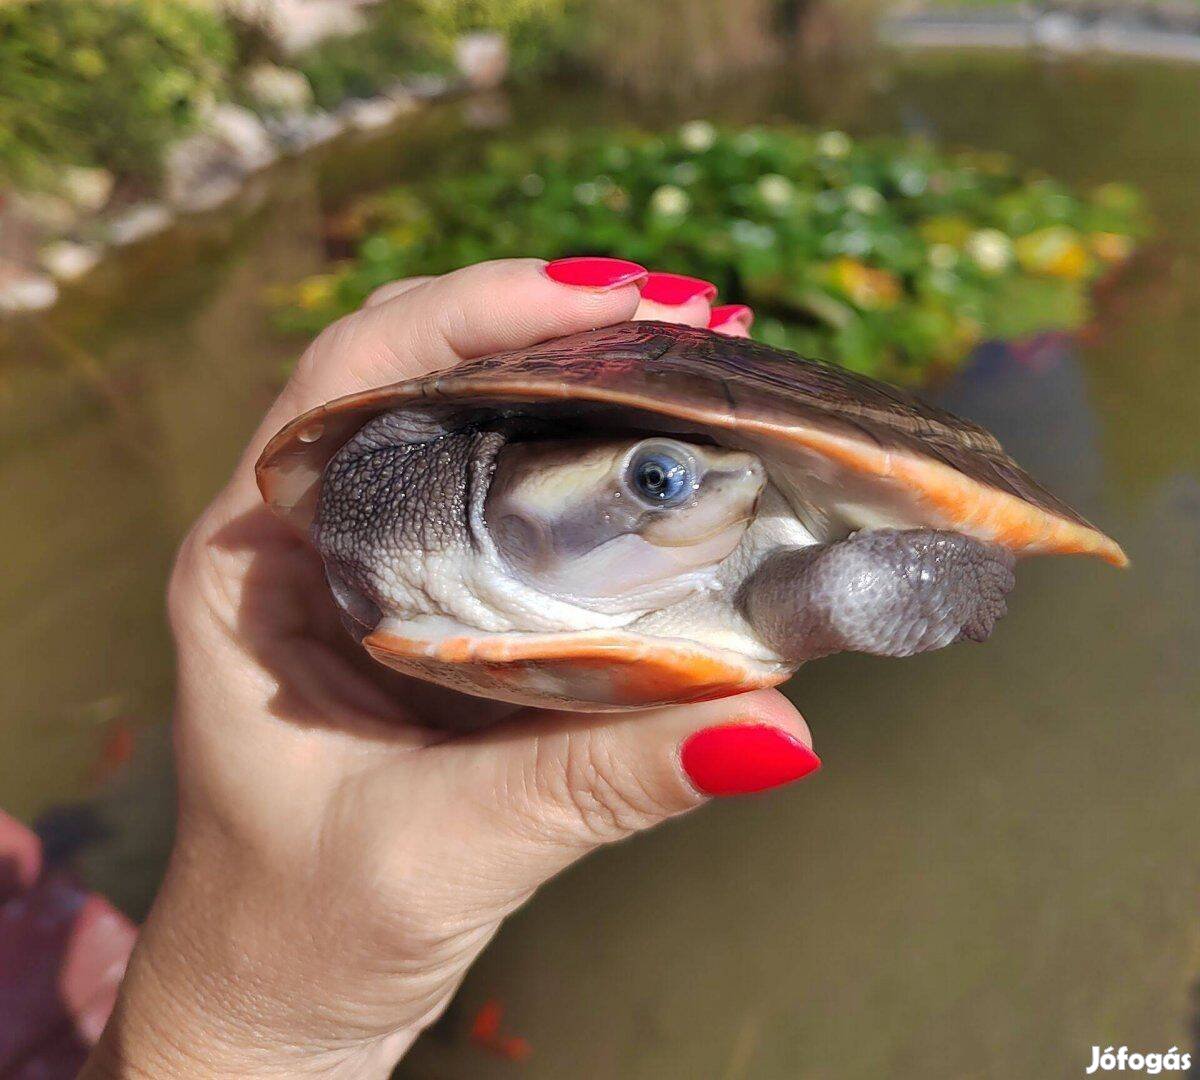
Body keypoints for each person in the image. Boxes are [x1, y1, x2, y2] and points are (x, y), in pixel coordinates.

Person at [80, 257, 820, 1079]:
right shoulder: (386, 515)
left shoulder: (740, 536)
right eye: (657, 478)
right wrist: (244, 1046)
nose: (742, 481)